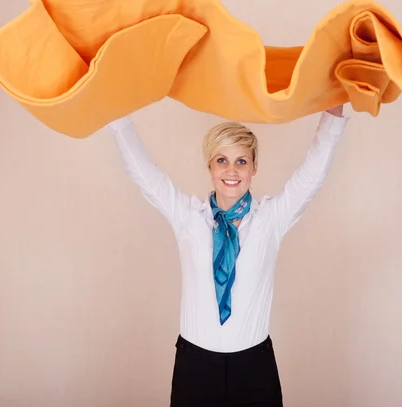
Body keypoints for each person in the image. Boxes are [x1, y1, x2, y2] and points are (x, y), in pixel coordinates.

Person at [107, 104, 349, 407]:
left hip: (254, 368)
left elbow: (312, 176)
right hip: (194, 367)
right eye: (222, 160)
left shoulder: (270, 220)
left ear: (254, 168)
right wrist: (115, 114)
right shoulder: (187, 217)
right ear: (209, 166)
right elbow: (144, 173)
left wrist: (334, 114)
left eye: (241, 161)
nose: (231, 171)